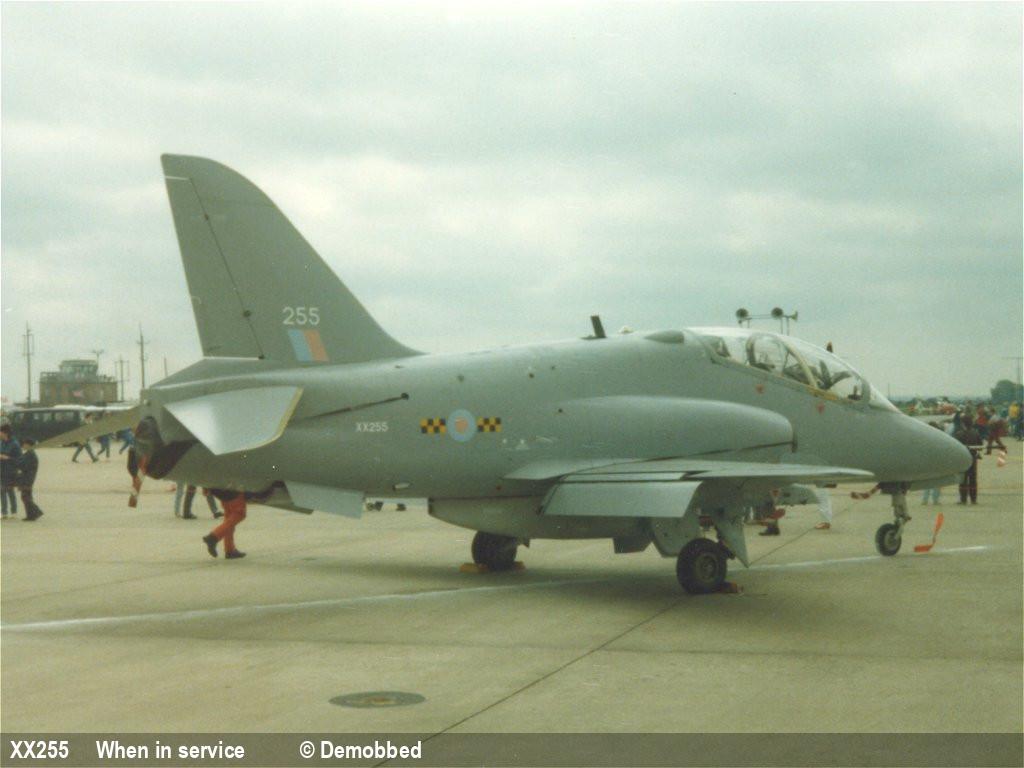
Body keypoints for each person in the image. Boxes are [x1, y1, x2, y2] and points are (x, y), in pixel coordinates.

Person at [954, 415, 982, 505]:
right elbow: (980, 446)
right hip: (973, 458)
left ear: (963, 423)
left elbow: (955, 447)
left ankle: (963, 499)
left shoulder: (959, 434)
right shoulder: (975, 433)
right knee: (973, 479)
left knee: (963, 480)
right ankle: (973, 499)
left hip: (962, 459)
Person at [16, 438, 43, 521]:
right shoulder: (29, 453)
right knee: (26, 496)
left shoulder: (30, 454)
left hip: (27, 478)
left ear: (28, 445)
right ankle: (31, 515)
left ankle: (36, 512)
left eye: (24, 444)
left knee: (25, 496)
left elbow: (24, 466)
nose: (23, 445)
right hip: (28, 477)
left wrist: (17, 464)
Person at [1, 424, 22, 519]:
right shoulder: (1, 443)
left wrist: (7, 458)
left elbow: (20, 459)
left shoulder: (15, 444)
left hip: (11, 471)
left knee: (9, 491)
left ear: (5, 433)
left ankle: (11, 511)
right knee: (3, 491)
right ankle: (6, 512)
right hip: (2, 470)